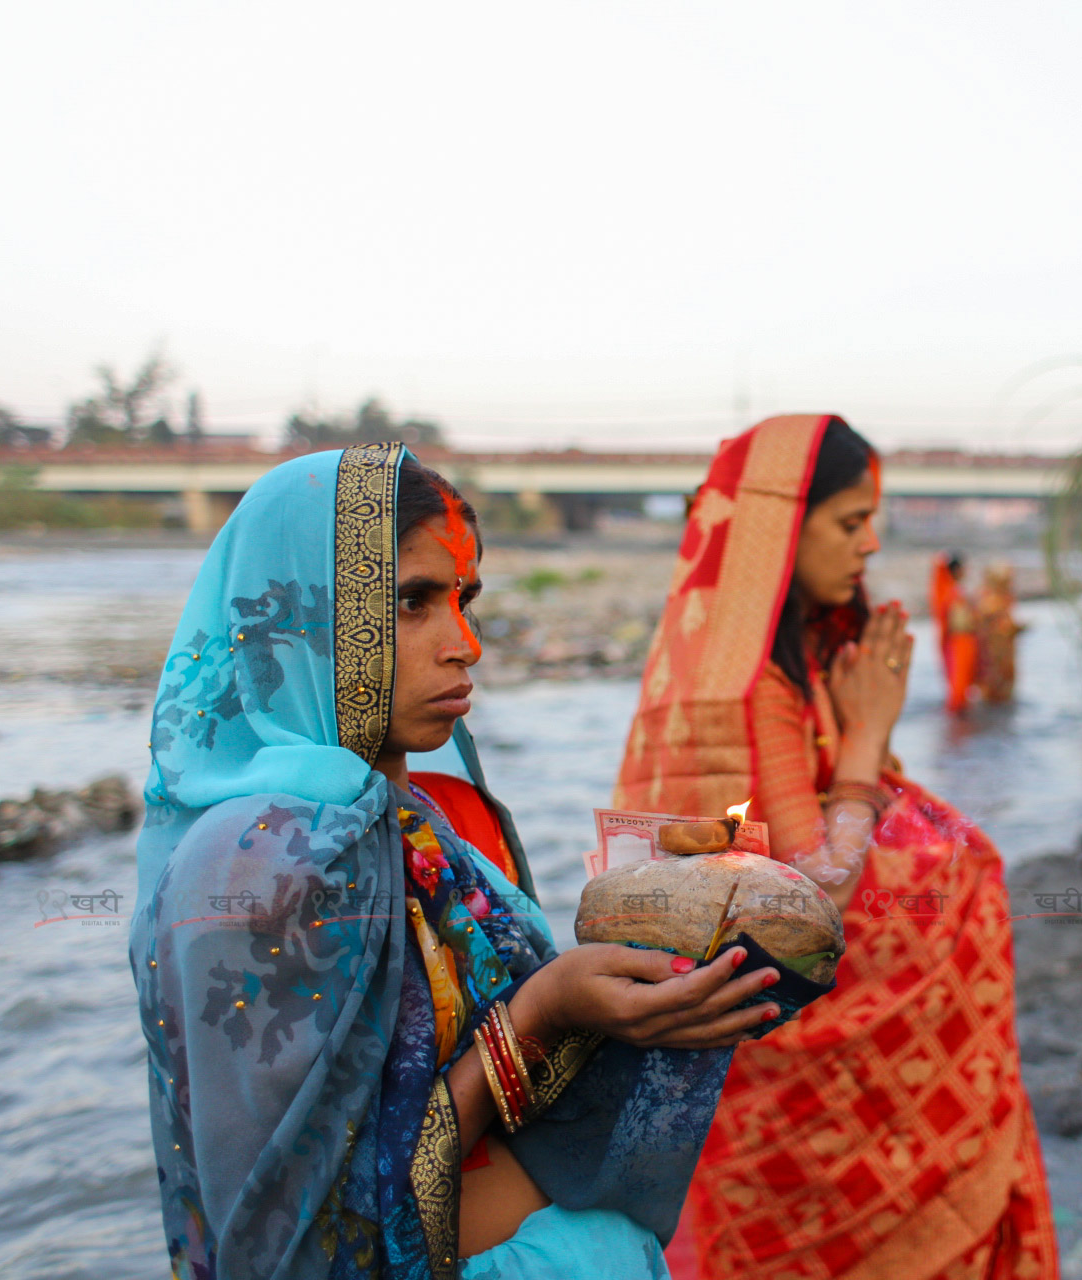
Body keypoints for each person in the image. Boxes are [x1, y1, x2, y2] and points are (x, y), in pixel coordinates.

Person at [131, 444, 781, 1280]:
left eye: (466, 601)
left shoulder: (408, 815)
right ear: (294, 617)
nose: (466, 644)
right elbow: (306, 1248)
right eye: (412, 601)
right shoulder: (258, 866)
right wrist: (539, 1019)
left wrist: (658, 912)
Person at [614, 415, 1058, 1280]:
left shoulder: (776, 660)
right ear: (783, 527)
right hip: (782, 1066)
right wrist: (865, 743)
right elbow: (809, 902)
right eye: (851, 522)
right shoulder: (751, 691)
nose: (871, 543)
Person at [930, 551, 980, 714]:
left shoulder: (955, 590)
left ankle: (960, 710)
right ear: (957, 570)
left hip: (964, 639)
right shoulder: (950, 592)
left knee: (964, 678)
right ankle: (957, 710)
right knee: (958, 677)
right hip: (959, 640)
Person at [972, 560, 1024, 704]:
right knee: (994, 683)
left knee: (1006, 684)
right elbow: (984, 623)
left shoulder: (1004, 599)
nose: (1009, 584)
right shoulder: (988, 599)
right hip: (993, 652)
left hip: (1005, 651)